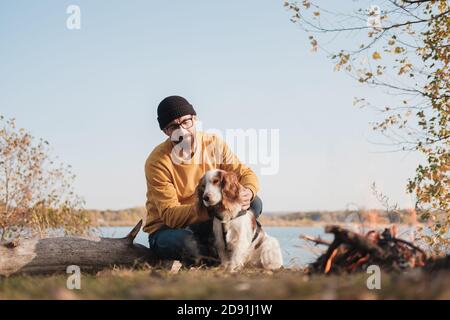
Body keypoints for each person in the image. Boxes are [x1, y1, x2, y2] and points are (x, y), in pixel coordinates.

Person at [144, 95, 262, 266]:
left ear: (195, 119)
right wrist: (215, 208)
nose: (183, 131)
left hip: (208, 219)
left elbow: (244, 173)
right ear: (166, 131)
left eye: (186, 122)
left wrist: (248, 191)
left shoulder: (213, 143)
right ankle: (220, 257)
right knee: (189, 244)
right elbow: (170, 215)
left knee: (255, 203)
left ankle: (233, 248)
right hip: (167, 230)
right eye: (174, 126)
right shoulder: (157, 161)